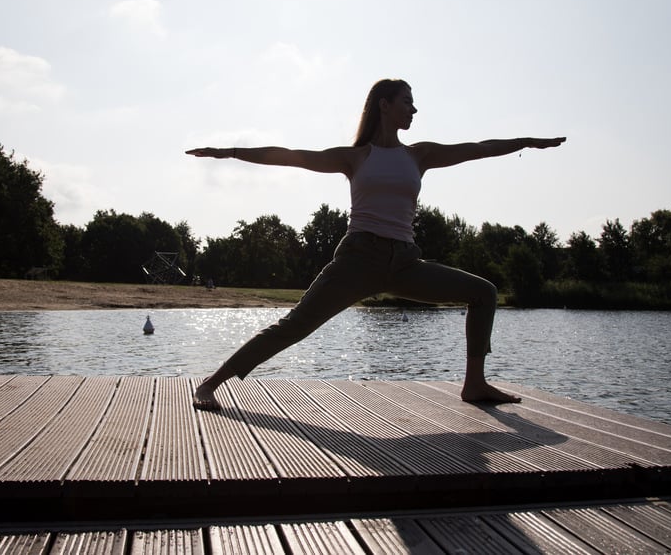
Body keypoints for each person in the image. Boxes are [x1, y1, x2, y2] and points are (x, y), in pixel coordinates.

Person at [186, 79, 566, 411]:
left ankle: (474, 384)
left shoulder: (419, 155)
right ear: (384, 105)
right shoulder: (355, 157)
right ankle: (210, 384)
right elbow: (290, 157)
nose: (414, 109)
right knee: (294, 326)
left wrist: (525, 142)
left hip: (405, 264)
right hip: (358, 260)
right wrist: (230, 152)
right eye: (407, 101)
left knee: (484, 293)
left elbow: (478, 148)